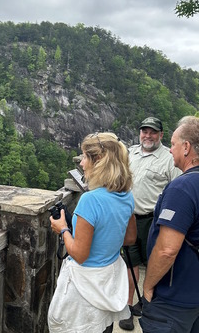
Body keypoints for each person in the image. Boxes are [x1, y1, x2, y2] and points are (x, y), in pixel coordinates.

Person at [139, 116, 199, 332]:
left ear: (186, 147)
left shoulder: (182, 188)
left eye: (174, 143)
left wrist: (148, 286)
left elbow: (167, 250)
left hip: (176, 299)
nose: (170, 150)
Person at [48, 132, 137, 333]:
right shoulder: (127, 196)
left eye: (86, 157)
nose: (82, 163)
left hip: (85, 286)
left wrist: (62, 229)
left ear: (99, 162)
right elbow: (130, 238)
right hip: (109, 280)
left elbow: (79, 254)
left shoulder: (90, 201)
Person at [120, 116, 182, 331]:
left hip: (154, 221)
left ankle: (150, 306)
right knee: (130, 263)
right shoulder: (129, 153)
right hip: (129, 219)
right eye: (144, 131)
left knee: (156, 264)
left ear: (161, 135)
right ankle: (128, 307)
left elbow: (179, 189)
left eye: (153, 132)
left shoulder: (168, 158)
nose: (148, 135)